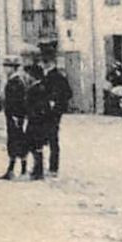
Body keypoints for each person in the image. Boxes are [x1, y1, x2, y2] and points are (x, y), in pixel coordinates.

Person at [40, 47, 74, 176]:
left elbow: (68, 93)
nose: (44, 65)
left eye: (46, 62)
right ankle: (48, 167)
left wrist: (55, 102)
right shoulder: (49, 76)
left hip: (52, 112)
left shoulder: (56, 77)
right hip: (48, 111)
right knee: (49, 138)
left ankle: (52, 168)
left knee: (52, 138)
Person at [2, 56, 31, 180]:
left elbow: (19, 101)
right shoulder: (13, 81)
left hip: (15, 116)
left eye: (7, 67)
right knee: (12, 141)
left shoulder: (16, 82)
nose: (5, 69)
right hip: (12, 116)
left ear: (13, 68)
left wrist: (17, 115)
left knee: (19, 141)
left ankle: (23, 170)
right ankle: (11, 169)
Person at [25, 62, 51, 180]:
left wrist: (32, 115)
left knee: (35, 145)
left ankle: (38, 170)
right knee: (36, 145)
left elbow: (38, 106)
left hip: (36, 121)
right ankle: (37, 169)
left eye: (29, 74)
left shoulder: (36, 88)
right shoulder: (41, 87)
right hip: (40, 121)